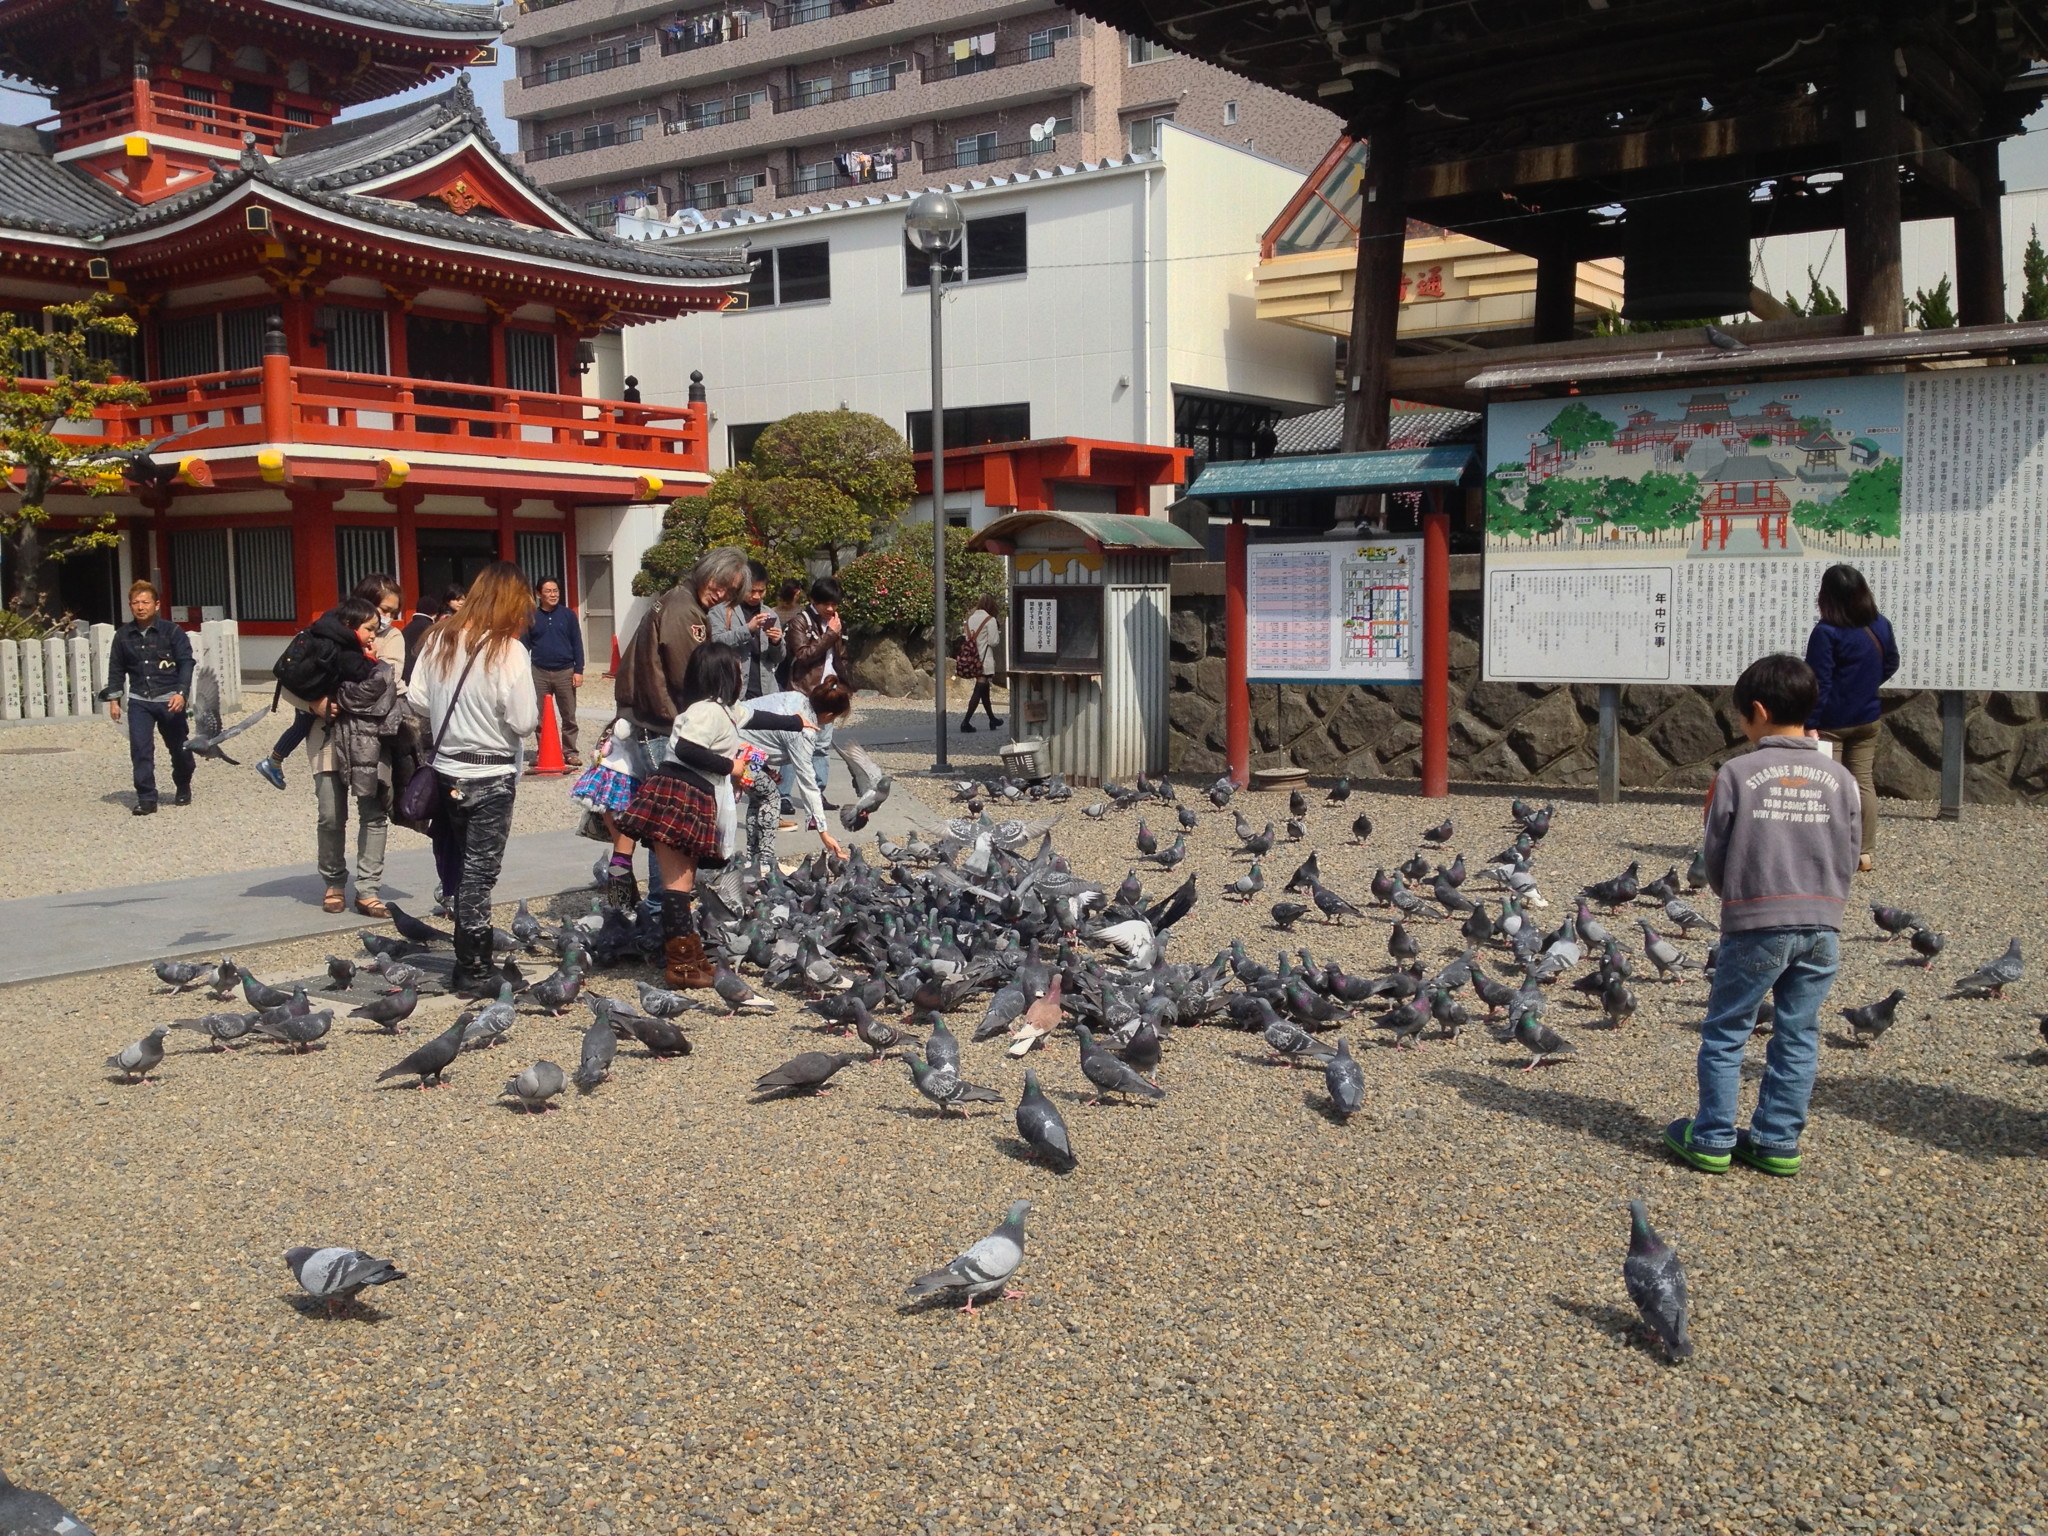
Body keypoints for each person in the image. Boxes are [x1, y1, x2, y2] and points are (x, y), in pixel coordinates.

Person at [1663, 653, 1858, 1180]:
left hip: (1757, 920)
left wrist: (1732, 897)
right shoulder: (1840, 777)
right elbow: (1850, 849)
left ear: (1757, 710)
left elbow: (1715, 852)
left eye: (1742, 719)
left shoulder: (1738, 773)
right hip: (1823, 924)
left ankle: (1712, 1138)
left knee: (1728, 1029)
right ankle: (1775, 1141)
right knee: (1797, 1034)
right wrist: (1829, 903)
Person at [616, 645, 806, 988]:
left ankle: (689, 956)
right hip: (679, 796)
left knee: (684, 884)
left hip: (690, 796)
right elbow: (688, 748)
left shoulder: (723, 710)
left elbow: (756, 717)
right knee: (678, 886)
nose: (739, 677)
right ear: (722, 676)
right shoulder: (707, 712)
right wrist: (730, 765)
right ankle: (680, 964)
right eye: (735, 671)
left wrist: (797, 722)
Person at [408, 561, 539, 996]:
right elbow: (523, 721)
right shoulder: (508, 650)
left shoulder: (439, 638)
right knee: (480, 875)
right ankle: (472, 968)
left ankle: (475, 960)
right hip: (491, 772)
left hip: (447, 768)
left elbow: (419, 701)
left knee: (464, 867)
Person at [307, 585, 404, 915]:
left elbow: (386, 685)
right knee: (331, 813)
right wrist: (314, 702)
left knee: (374, 812)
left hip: (371, 738)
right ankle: (334, 881)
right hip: (327, 735)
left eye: (391, 612)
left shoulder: (390, 639)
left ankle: (367, 888)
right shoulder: (322, 637)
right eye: (383, 610)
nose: (387, 617)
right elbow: (293, 680)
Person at [1805, 564, 1898, 874]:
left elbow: (1820, 682)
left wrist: (1810, 723)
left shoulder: (1826, 632)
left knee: (1829, 787)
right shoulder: (1880, 625)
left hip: (1832, 723)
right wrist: (1865, 686)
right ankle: (1864, 853)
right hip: (1868, 717)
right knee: (1863, 784)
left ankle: (1830, 851)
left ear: (1827, 597)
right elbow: (1891, 663)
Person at [614, 545, 751, 732]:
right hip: (661, 721)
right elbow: (689, 677)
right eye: (720, 583)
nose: (721, 594)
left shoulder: (680, 599)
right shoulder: (685, 610)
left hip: (650, 715)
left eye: (730, 591)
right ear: (706, 570)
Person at [256, 599, 384, 791]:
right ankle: (273, 761)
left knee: (299, 727)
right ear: (350, 624)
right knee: (300, 728)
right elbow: (359, 672)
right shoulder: (345, 645)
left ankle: (274, 761)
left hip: (307, 690)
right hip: (315, 695)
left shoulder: (323, 629)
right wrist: (371, 658)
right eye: (369, 629)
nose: (373, 636)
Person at [738, 678, 851, 878]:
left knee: (759, 793)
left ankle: (752, 859)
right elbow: (808, 782)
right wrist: (823, 832)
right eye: (834, 719)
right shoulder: (805, 731)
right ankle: (765, 863)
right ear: (828, 715)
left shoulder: (797, 697)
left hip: (740, 742)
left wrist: (763, 767)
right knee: (770, 797)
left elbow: (760, 734)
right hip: (736, 749)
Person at [101, 579, 194, 816]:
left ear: (156, 605)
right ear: (130, 606)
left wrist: (181, 693)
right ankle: (146, 797)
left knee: (179, 748)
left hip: (170, 699)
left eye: (145, 602)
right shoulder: (123, 635)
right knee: (141, 749)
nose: (140, 607)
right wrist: (114, 699)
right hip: (140, 699)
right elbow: (116, 668)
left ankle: (183, 783)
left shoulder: (172, 632)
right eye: (135, 602)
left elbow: (186, 663)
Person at [784, 575, 850, 812]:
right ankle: (784, 795)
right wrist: (830, 635)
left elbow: (839, 656)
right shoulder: (799, 622)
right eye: (826, 604)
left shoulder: (834, 621)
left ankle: (818, 793)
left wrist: (845, 685)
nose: (830, 609)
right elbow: (803, 655)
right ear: (813, 600)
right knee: (794, 745)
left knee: (822, 746)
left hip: (829, 691)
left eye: (834, 604)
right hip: (803, 692)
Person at [708, 559, 786, 699]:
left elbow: (778, 658)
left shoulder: (769, 614)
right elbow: (715, 643)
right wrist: (748, 629)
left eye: (761, 591)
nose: (756, 596)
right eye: (751, 591)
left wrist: (776, 642)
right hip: (734, 692)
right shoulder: (722, 610)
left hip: (766, 692)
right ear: (740, 587)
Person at [526, 575, 584, 760]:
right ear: (538, 594)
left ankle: (570, 752)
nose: (553, 594)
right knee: (540, 716)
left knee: (569, 715)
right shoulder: (532, 617)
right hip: (539, 671)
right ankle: (544, 751)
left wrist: (578, 670)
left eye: (556, 591)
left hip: (565, 671)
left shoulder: (568, 615)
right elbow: (523, 645)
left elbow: (577, 643)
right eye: (548, 591)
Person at [956, 596, 1004, 733]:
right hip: (984, 660)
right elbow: (994, 641)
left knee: (984, 691)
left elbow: (967, 638)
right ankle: (966, 722)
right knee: (979, 690)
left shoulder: (971, 619)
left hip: (973, 660)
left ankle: (992, 719)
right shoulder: (990, 620)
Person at [403, 583, 464, 683]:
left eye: (463, 599)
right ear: (448, 600)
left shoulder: (409, 627)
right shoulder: (445, 619)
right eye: (457, 599)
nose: (461, 603)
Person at [771, 577, 805, 692]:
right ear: (796, 593)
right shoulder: (802, 613)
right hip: (791, 653)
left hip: (781, 654)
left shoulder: (772, 612)